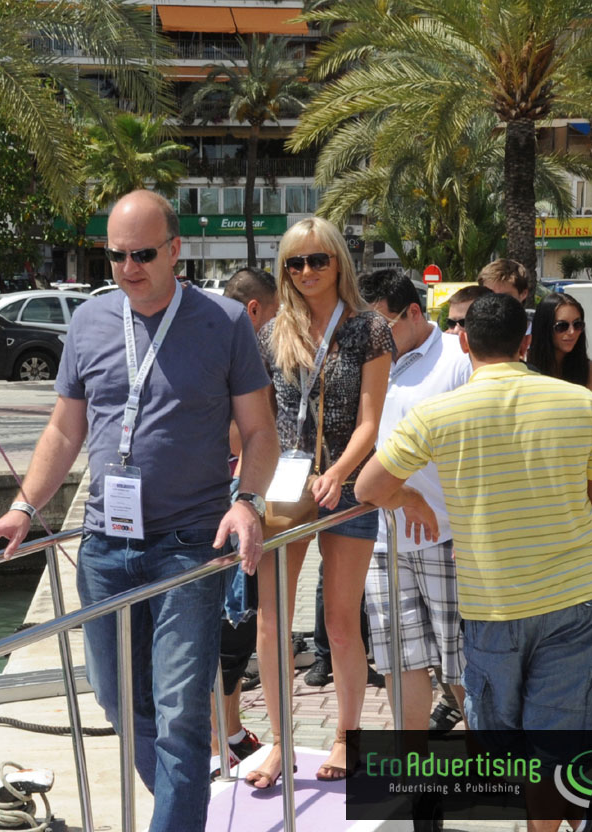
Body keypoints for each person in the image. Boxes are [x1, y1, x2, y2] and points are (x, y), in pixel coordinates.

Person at [0, 190, 279, 831]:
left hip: (190, 545)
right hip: (106, 549)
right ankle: (182, 811)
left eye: (143, 254)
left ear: (175, 250)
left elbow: (260, 432)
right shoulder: (88, 321)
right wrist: (24, 507)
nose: (129, 268)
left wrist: (247, 502)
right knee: (117, 701)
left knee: (180, 714)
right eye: (116, 256)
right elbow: (64, 430)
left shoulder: (224, 322)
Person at [356, 293, 592, 832]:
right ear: (526, 342)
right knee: (560, 726)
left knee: (507, 734)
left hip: (492, 602)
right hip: (576, 595)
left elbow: (367, 488)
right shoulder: (581, 403)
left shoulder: (438, 414)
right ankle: (579, 814)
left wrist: (409, 498)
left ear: (463, 341)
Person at [250, 216, 394, 789]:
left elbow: (371, 422)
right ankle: (280, 742)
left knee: (339, 622)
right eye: (295, 262)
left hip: (347, 486)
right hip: (285, 485)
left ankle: (346, 735)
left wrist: (337, 472)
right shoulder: (272, 333)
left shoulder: (369, 329)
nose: (306, 270)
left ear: (338, 262)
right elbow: (260, 420)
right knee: (270, 621)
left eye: (317, 259)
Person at [357, 267, 471, 733]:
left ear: (413, 313)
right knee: (399, 660)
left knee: (462, 664)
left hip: (448, 536)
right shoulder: (368, 361)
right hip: (383, 537)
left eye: (381, 324)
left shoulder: (457, 358)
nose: (372, 336)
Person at [208, 267, 279, 777]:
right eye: (274, 315)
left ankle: (229, 730)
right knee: (232, 626)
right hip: (231, 499)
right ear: (254, 310)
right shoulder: (237, 353)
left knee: (237, 622)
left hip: (230, 496)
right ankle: (220, 737)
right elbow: (238, 437)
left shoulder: (213, 342)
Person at [527, 292, 592, 400]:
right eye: (562, 326)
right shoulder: (524, 369)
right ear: (544, 328)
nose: (572, 332)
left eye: (577, 324)